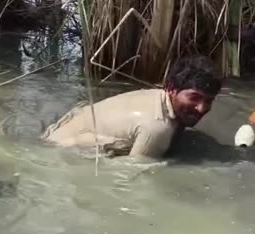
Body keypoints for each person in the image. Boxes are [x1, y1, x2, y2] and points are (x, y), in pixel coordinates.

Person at [40, 55, 222, 158]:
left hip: (56, 132)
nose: (202, 108)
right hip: (59, 151)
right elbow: (130, 176)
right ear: (171, 89)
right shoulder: (158, 127)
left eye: (209, 100)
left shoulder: (155, 96)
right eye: (194, 98)